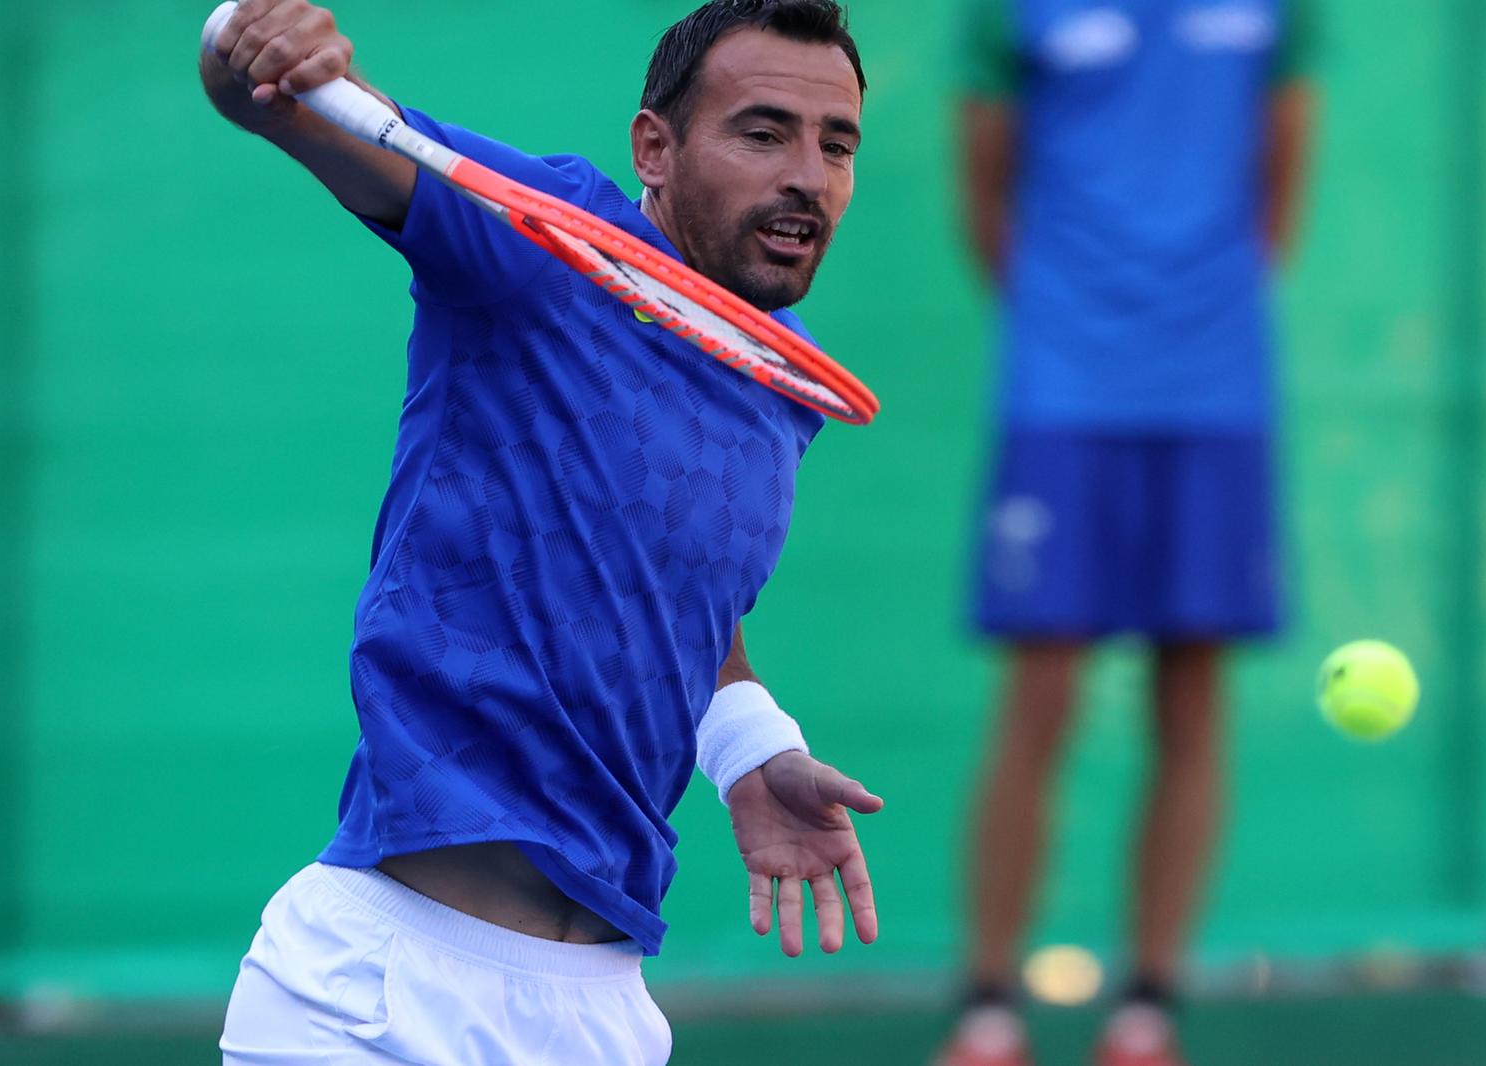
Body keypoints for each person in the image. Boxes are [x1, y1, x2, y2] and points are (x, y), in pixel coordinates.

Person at [199, 1, 880, 1062]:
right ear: (654, 148)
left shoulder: (781, 377)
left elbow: (681, 598)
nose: (807, 174)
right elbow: (288, 104)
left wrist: (752, 747)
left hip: (599, 1014)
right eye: (762, 131)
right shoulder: (539, 235)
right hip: (373, 996)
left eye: (835, 144)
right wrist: (246, 47)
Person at [938, 2, 1316, 1065]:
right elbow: (984, 179)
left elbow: (1283, 162)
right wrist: (1074, 324)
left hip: (1216, 392)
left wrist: (1198, 323)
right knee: (1041, 689)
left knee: (1191, 686)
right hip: (1062, 390)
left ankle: (1149, 1004)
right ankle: (986, 1004)